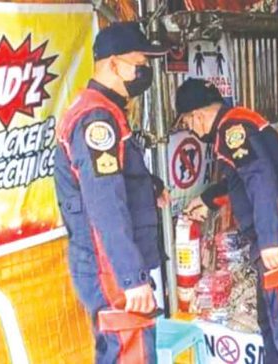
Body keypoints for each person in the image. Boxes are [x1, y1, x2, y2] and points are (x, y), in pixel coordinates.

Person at [174, 78, 278, 364]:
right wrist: (209, 200)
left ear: (197, 115)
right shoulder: (236, 123)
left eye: (187, 124)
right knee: (272, 324)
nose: (190, 130)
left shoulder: (233, 128)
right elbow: (242, 180)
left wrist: (270, 239)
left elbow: (260, 177)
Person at [53, 21, 168, 363]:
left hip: (112, 263)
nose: (146, 72)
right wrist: (132, 278)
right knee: (129, 352)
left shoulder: (108, 110)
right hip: (110, 268)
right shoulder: (96, 119)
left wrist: (150, 189)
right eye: (140, 65)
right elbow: (104, 205)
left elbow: (118, 178)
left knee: (126, 350)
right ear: (114, 64)